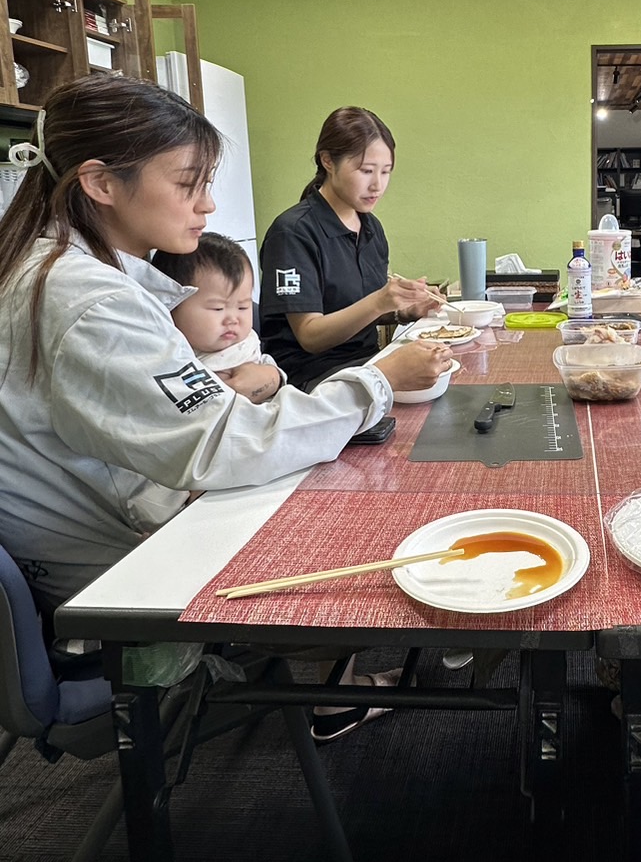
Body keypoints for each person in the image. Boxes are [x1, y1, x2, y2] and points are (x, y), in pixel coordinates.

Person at [0, 75, 451, 613]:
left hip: (140, 507)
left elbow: (153, 399)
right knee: (360, 529)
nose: (209, 205)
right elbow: (224, 443)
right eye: (189, 184)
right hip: (124, 571)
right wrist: (378, 381)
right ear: (100, 183)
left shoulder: (59, 267)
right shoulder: (89, 298)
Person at [261, 107, 444, 391]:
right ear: (327, 161)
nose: (378, 185)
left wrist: (403, 310)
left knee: (445, 369)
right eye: (366, 170)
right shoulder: (293, 232)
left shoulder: (371, 228)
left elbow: (356, 307)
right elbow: (310, 335)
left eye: (386, 172)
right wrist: (381, 300)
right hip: (312, 378)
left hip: (368, 365)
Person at [152, 232, 281, 402]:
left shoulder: (246, 345)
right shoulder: (167, 356)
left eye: (243, 306)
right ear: (170, 306)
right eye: (218, 308)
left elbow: (268, 368)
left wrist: (274, 376)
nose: (233, 319)